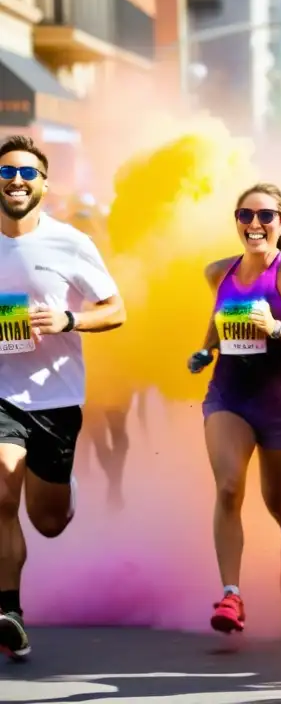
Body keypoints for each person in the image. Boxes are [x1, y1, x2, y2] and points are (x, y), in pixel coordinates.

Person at [0, 135, 126, 658]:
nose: (16, 181)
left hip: (55, 397)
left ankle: (62, 488)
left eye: (28, 174)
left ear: (44, 185)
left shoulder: (69, 242)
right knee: (3, 496)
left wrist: (69, 319)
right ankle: (9, 610)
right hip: (1, 395)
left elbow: (115, 309)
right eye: (7, 173)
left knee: (47, 522)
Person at [188, 183, 281, 634]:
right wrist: (205, 350)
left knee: (278, 500)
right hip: (228, 396)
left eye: (266, 216)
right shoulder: (219, 271)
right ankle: (231, 596)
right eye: (245, 215)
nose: (255, 224)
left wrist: (277, 329)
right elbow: (218, 320)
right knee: (230, 488)